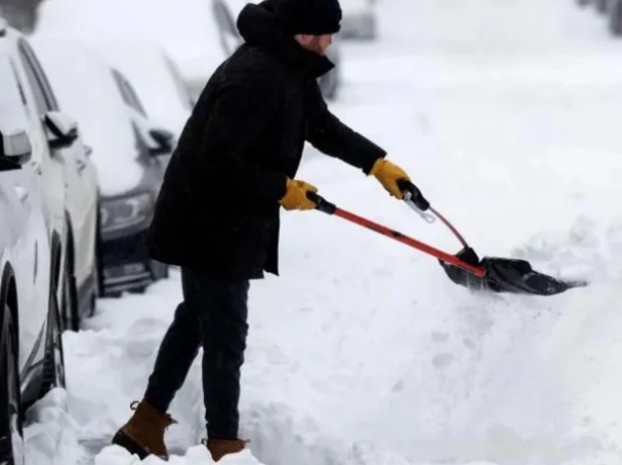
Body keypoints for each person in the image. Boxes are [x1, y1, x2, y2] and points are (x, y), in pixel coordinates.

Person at [111, 0, 412, 461]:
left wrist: (376, 163)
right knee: (225, 330)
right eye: (324, 33)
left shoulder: (289, 65)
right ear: (300, 32)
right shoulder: (252, 76)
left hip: (227, 216)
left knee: (197, 319)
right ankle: (223, 447)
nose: (330, 41)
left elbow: (321, 125)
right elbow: (218, 161)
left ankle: (144, 425)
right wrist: (281, 188)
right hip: (206, 219)